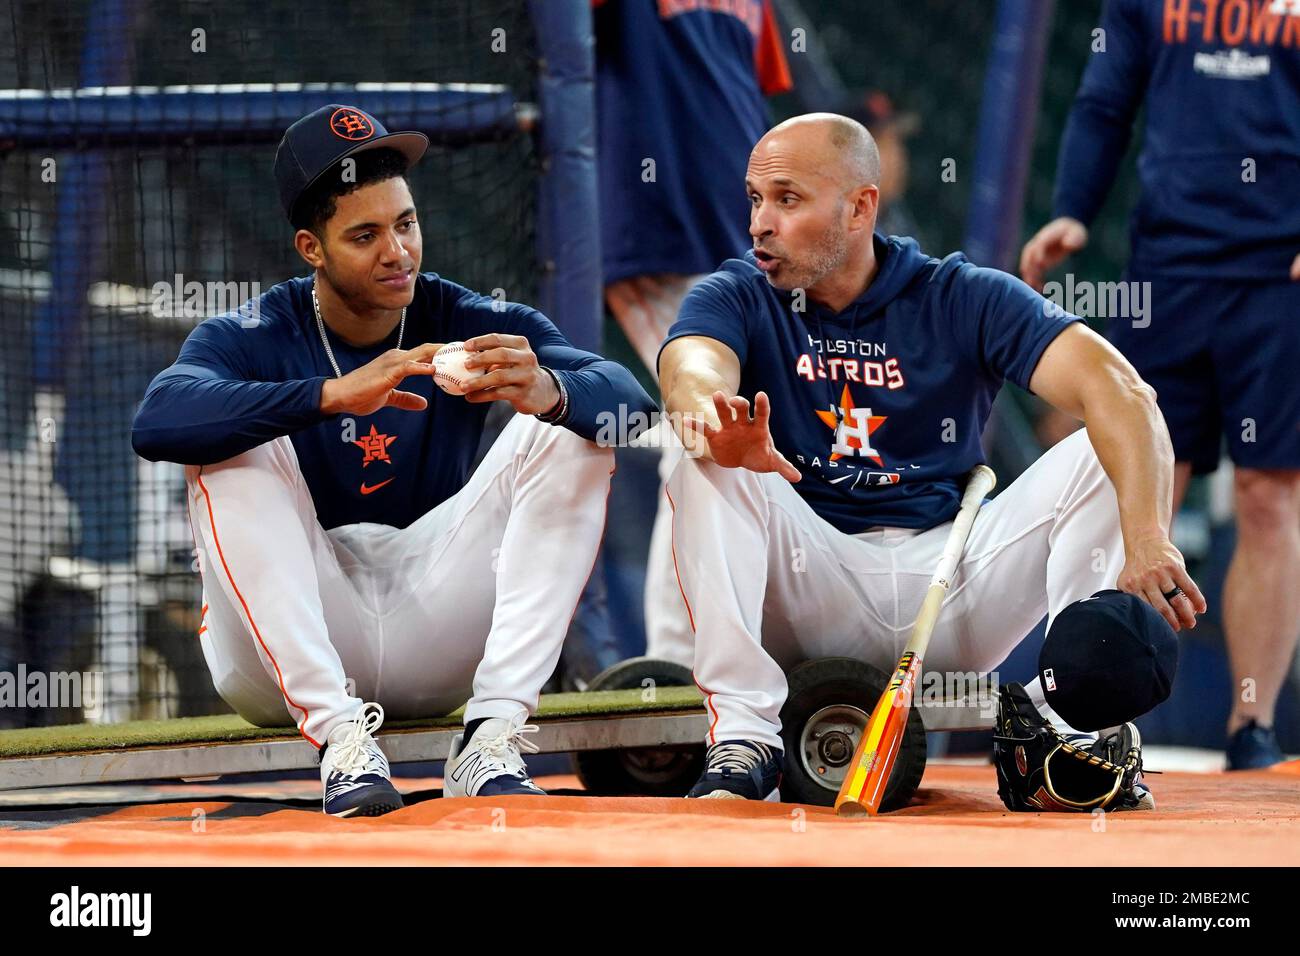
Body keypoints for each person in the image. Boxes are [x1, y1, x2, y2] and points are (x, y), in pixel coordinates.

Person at [657, 113, 1206, 804]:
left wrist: (1148, 535)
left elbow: (1121, 389)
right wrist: (714, 418)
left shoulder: (962, 295)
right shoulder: (734, 292)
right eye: (755, 199)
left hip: (951, 588)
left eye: (787, 199)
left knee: (1101, 448)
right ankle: (745, 735)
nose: (760, 222)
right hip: (811, 583)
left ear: (860, 207)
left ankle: (1066, 726)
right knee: (700, 457)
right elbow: (691, 370)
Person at [131, 104, 656, 817]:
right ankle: (341, 741)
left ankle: (492, 736)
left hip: (431, 626)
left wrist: (547, 389)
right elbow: (159, 419)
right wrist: (330, 396)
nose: (397, 252)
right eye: (365, 235)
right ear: (311, 248)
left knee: (571, 427)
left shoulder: (460, 314)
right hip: (282, 656)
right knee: (226, 448)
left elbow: (630, 399)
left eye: (405, 224)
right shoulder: (255, 329)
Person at [1019, 0, 1300, 769]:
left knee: (1270, 496)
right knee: (1142, 481)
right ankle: (1103, 711)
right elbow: (1105, 99)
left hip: (1280, 273)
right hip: (1168, 268)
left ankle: (1253, 723)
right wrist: (1073, 209)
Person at [594, 0, 791, 666]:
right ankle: (676, 661)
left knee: (730, 427)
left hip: (746, 238)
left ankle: (689, 654)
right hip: (661, 227)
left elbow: (749, 95)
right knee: (705, 424)